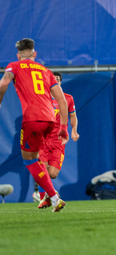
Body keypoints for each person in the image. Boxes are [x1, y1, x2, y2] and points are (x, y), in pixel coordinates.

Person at [0, 38, 68, 212]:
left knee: (29, 160)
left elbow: (4, 83)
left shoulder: (13, 66)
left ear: (18, 54)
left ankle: (53, 197)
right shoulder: (46, 70)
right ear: (34, 53)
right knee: (37, 159)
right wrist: (63, 128)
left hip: (32, 119)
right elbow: (62, 101)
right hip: (50, 121)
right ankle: (50, 196)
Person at [37, 71, 80, 208]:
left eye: (57, 80)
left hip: (58, 142)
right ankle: (44, 199)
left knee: (53, 174)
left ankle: (50, 194)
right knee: (41, 172)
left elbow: (73, 117)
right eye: (52, 79)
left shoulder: (68, 99)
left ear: (60, 82)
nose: (55, 82)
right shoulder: (42, 98)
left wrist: (74, 130)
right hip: (43, 141)